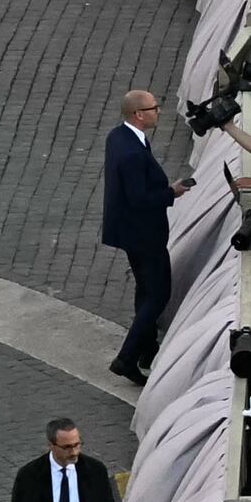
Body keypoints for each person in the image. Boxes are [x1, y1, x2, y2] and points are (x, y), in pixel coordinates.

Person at [99, 89, 172, 385]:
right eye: (154, 108)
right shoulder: (131, 153)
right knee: (158, 294)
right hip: (145, 235)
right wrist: (172, 193)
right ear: (138, 115)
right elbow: (139, 198)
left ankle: (146, 346)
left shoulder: (119, 138)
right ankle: (127, 356)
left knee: (145, 289)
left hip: (132, 233)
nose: (158, 112)